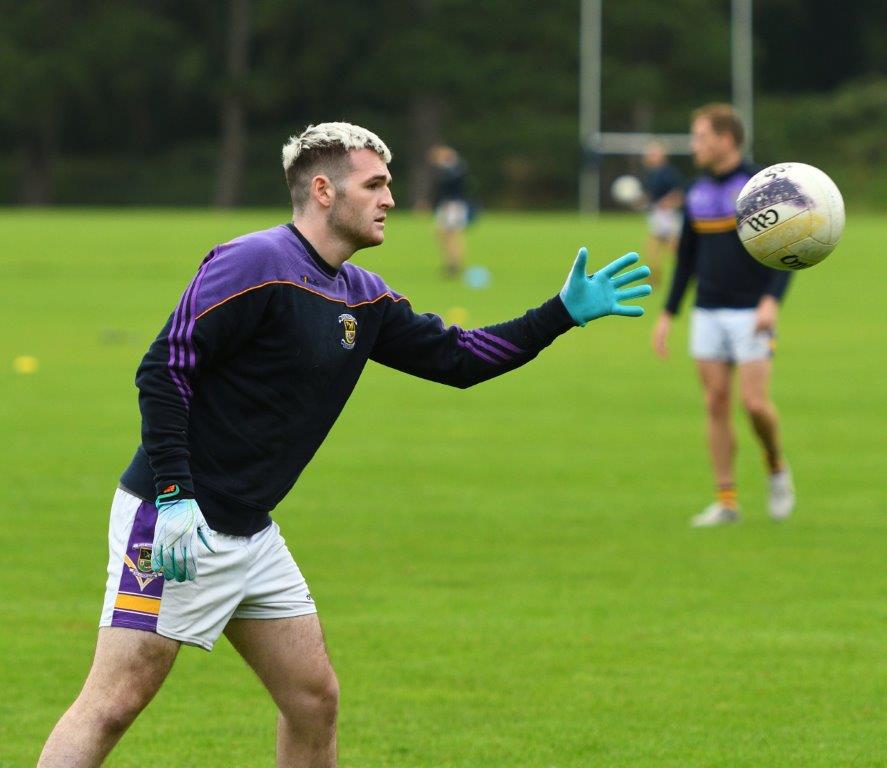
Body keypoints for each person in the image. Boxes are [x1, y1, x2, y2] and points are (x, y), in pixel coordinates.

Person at [38, 122, 652, 767]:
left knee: (313, 700)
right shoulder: (254, 263)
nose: (390, 198)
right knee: (113, 703)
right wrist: (172, 496)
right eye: (376, 184)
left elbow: (458, 358)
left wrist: (559, 312)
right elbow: (164, 371)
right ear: (325, 190)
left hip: (250, 531)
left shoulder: (364, 296)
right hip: (175, 521)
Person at [651, 104, 796, 528]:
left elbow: (791, 248)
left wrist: (772, 301)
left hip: (753, 311)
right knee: (715, 403)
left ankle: (776, 467)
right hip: (708, 311)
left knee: (754, 405)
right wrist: (668, 314)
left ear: (726, 139)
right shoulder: (694, 193)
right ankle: (726, 500)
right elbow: (687, 261)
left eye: (700, 136)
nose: (694, 144)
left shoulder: (760, 187)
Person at [641, 140, 684, 288]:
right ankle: (654, 277)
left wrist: (667, 203)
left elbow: (679, 194)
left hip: (669, 215)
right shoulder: (651, 174)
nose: (650, 156)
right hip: (657, 215)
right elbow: (650, 197)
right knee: (652, 247)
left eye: (654, 153)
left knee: (674, 248)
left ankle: (688, 273)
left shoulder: (669, 173)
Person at [427, 144, 470, 278]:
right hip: (448, 205)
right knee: (443, 235)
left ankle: (455, 265)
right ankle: (451, 263)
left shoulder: (455, 169)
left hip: (452, 206)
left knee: (452, 235)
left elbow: (449, 185)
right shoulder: (451, 169)